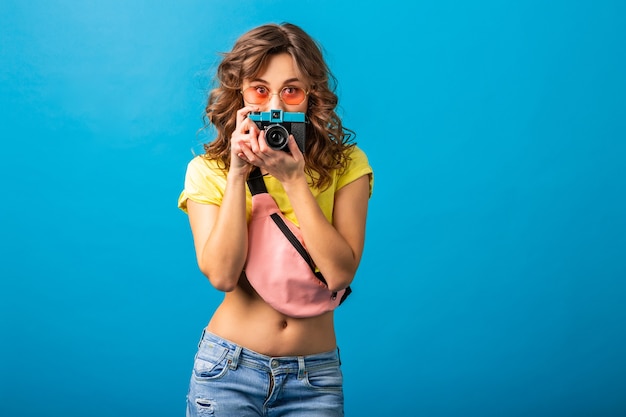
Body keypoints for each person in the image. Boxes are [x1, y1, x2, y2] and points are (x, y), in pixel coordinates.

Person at [178, 22, 373, 416]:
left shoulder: (347, 165)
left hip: (314, 378)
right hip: (228, 369)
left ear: (311, 97)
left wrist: (294, 180)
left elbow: (339, 274)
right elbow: (221, 276)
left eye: (291, 90)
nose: (275, 107)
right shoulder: (207, 170)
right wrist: (236, 173)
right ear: (240, 94)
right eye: (260, 90)